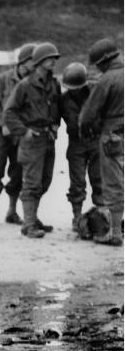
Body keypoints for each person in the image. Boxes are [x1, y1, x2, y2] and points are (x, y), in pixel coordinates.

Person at [3, 42, 63, 238]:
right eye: (49, 58)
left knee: (44, 181)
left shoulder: (54, 84)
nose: (54, 61)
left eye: (55, 58)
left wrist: (55, 125)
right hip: (32, 140)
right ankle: (29, 225)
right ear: (39, 61)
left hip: (48, 139)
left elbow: (57, 109)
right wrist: (24, 131)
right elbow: (9, 113)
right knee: (31, 183)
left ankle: (32, 218)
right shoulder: (25, 86)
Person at [0, 42, 36, 226]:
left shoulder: (32, 82)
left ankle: (12, 212)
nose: (35, 65)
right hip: (1, 134)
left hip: (21, 134)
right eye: (33, 61)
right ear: (24, 61)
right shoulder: (3, 79)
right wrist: (2, 124)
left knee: (18, 173)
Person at [79, 38, 124, 247]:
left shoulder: (107, 80)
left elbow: (87, 116)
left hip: (113, 136)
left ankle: (115, 233)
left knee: (113, 184)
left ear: (104, 61)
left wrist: (87, 130)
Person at [60, 62, 104, 234]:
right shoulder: (63, 99)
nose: (74, 90)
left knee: (99, 179)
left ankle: (102, 215)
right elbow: (54, 118)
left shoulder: (95, 92)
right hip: (76, 144)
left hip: (95, 141)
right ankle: (77, 217)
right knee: (77, 183)